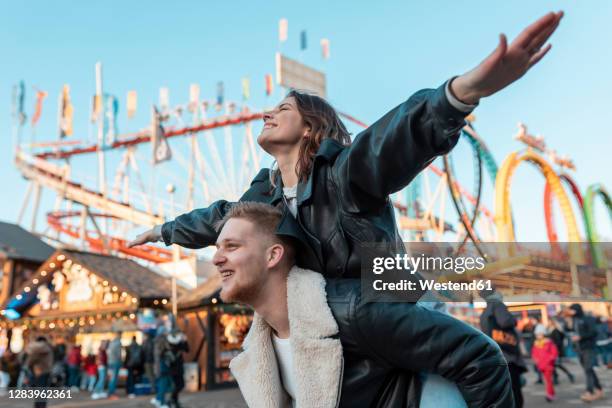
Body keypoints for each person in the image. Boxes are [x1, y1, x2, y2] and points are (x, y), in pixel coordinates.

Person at [129, 12, 565, 282]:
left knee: (481, 359)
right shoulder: (261, 198)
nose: (266, 113)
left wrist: (459, 94)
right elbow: (219, 219)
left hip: (379, 302)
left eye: (283, 107)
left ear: (308, 128)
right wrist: (165, 231)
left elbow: (391, 141)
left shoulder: (343, 173)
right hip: (321, 318)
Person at [213, 202, 513, 407]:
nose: (216, 258)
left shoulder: (351, 310)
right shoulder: (258, 352)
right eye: (217, 248)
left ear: (272, 256)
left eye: (232, 246)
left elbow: (480, 356)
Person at [479, 288, 527, 407]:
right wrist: (515, 320)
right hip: (508, 355)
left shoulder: (485, 312)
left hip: (496, 355)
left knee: (504, 391)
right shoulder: (497, 305)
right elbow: (505, 321)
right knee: (515, 392)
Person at [565, 304, 604, 402]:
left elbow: (593, 332)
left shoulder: (587, 318)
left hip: (588, 347)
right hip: (579, 348)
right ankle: (599, 389)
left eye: (572, 310)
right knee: (589, 370)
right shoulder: (573, 320)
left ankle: (589, 391)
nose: (570, 312)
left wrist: (581, 336)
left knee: (588, 369)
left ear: (576, 310)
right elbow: (570, 331)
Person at [24, 336, 54, 408]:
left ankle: (39, 405)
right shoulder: (47, 347)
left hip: (38, 371)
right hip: (45, 371)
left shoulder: (38, 348)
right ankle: (40, 405)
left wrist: (28, 365)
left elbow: (32, 358)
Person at [531, 324, 558, 402]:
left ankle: (549, 395)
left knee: (548, 380)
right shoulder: (536, 344)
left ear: (543, 334)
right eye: (537, 334)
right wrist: (535, 359)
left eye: (540, 334)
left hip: (548, 365)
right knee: (547, 380)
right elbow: (534, 353)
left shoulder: (549, 343)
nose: (538, 336)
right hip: (541, 365)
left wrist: (550, 359)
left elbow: (554, 352)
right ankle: (552, 393)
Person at [547, 317, 574, 384]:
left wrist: (555, 349)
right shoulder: (551, 330)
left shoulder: (555, 331)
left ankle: (569, 374)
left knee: (557, 365)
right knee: (553, 365)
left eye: (549, 322)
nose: (548, 323)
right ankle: (556, 378)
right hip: (552, 351)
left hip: (556, 351)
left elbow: (558, 342)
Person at [167, 329, 189, 408]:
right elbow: (186, 349)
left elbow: (187, 350)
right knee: (179, 385)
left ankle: (173, 401)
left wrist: (185, 341)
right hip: (174, 368)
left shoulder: (177, 343)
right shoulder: (170, 343)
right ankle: (172, 400)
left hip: (177, 367)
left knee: (179, 385)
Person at [153, 328, 172, 408]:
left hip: (160, 366)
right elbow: (161, 354)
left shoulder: (158, 340)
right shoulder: (162, 341)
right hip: (162, 366)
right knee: (163, 385)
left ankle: (158, 399)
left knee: (163, 384)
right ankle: (161, 402)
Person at [106, 331, 123, 399]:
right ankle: (111, 394)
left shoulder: (112, 342)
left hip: (110, 362)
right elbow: (119, 354)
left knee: (111, 378)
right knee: (114, 379)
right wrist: (121, 361)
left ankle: (110, 393)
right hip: (115, 362)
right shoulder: (118, 343)